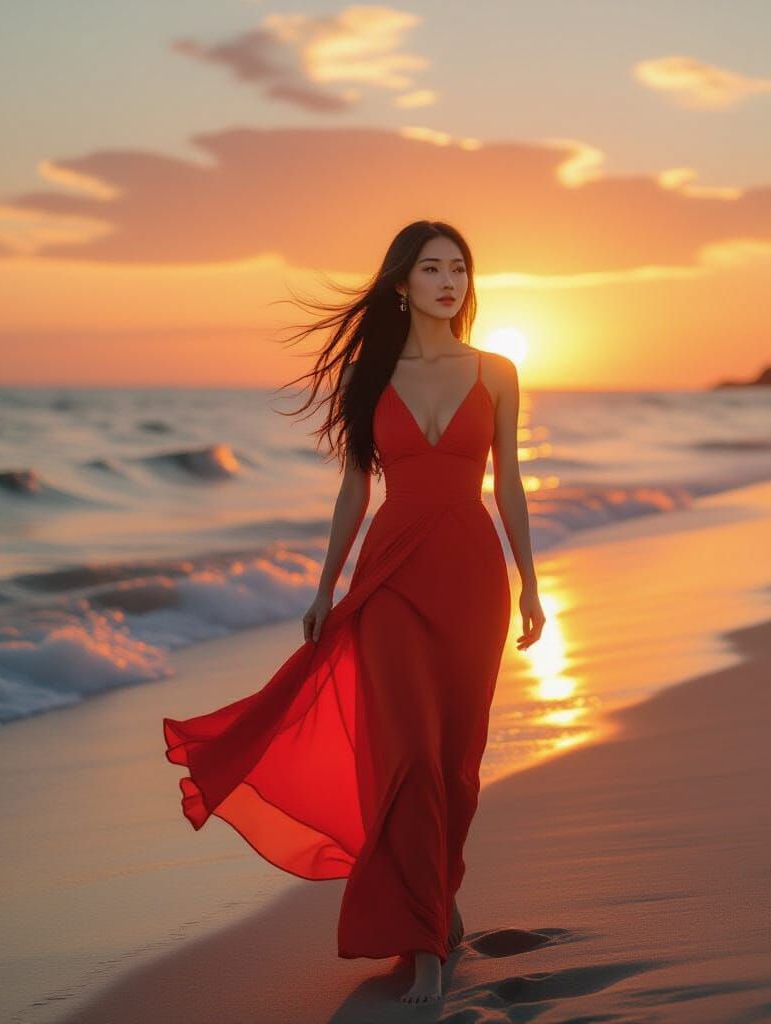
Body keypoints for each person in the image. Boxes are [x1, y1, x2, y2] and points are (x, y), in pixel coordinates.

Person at [163, 219, 545, 1006]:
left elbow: (508, 483)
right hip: (391, 580)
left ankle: (436, 899)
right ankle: (424, 943)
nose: (449, 281)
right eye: (432, 268)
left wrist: (531, 583)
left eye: (459, 268)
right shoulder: (369, 376)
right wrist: (324, 586)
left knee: (456, 766)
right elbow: (354, 488)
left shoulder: (500, 372)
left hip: (472, 581)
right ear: (402, 283)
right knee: (409, 759)